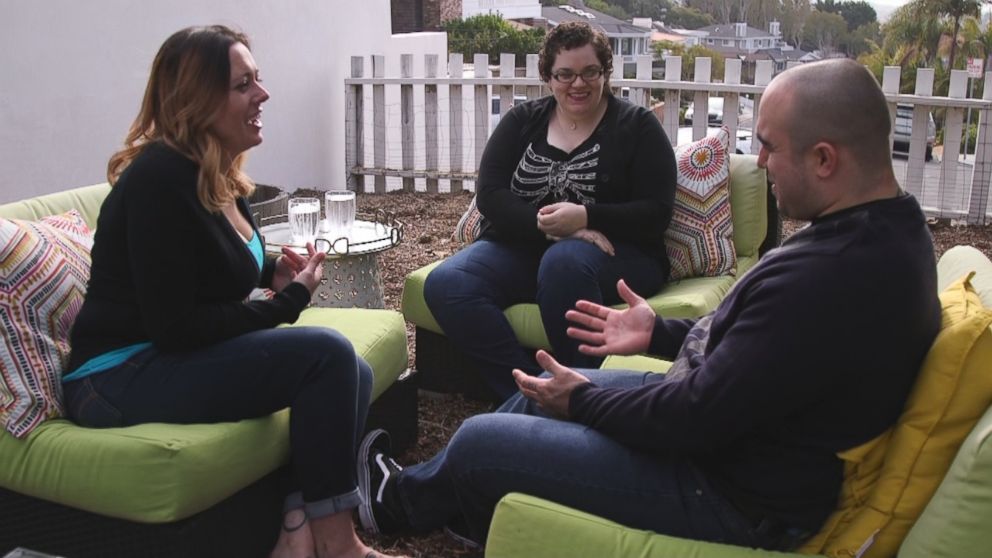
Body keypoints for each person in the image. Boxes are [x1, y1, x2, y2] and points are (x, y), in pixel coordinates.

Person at [356, 58, 943, 550]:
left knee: (482, 439)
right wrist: (659, 332)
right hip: (729, 435)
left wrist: (583, 403)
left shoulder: (833, 276)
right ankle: (428, 502)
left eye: (767, 147)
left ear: (824, 159)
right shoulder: (886, 230)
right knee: (533, 395)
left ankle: (406, 503)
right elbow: (764, 352)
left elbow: (691, 419)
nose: (758, 163)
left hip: (726, 491)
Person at [62, 26, 401, 558]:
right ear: (198, 100)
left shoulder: (215, 175)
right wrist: (285, 306)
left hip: (160, 359)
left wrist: (271, 274)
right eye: (244, 84)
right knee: (328, 355)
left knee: (350, 369)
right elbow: (174, 328)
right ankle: (341, 547)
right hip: (115, 375)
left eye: (257, 80)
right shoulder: (158, 180)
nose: (262, 95)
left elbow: (205, 264)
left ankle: (295, 531)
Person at [423, 21, 677, 401]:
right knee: (448, 284)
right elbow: (490, 193)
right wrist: (551, 228)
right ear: (547, 76)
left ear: (605, 72)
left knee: (564, 262)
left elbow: (656, 211)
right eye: (565, 74)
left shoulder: (636, 127)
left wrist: (587, 217)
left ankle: (584, 396)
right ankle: (527, 396)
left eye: (590, 72)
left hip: (619, 255)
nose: (579, 84)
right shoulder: (523, 121)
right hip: (528, 245)